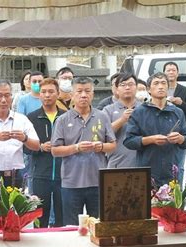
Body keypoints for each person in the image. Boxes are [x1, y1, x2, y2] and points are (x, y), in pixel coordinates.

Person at [51, 77, 116, 226]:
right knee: (72, 226)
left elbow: (112, 145)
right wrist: (76, 148)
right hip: (71, 182)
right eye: (79, 91)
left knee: (100, 225)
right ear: (72, 95)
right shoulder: (62, 119)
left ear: (93, 94)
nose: (83, 95)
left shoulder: (102, 116)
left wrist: (101, 146)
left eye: (87, 91)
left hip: (98, 180)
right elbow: (55, 150)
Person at [124, 72, 186, 186]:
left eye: (163, 83)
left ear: (168, 88)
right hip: (148, 172)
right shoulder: (139, 112)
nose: (160, 86)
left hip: (172, 172)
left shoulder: (177, 112)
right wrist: (150, 140)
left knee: (172, 203)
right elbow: (129, 141)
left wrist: (180, 139)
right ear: (149, 89)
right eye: (156, 83)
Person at [26, 78, 65, 227]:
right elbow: (25, 147)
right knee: (40, 216)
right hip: (40, 173)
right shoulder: (31, 117)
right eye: (43, 92)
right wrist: (40, 147)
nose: (47, 95)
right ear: (39, 94)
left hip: (63, 174)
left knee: (62, 217)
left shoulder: (66, 116)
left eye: (51, 91)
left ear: (58, 93)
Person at [164, 61, 186, 182]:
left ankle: (179, 196)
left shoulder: (185, 90)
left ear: (178, 73)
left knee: (178, 166)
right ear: (164, 73)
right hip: (161, 131)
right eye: (168, 70)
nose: (171, 72)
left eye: (173, 70)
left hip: (179, 131)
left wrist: (181, 103)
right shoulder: (160, 90)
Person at [103, 73, 140, 168]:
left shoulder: (144, 108)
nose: (127, 87)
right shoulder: (108, 110)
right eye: (123, 85)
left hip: (141, 162)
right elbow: (102, 134)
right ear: (116, 89)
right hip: (116, 163)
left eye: (131, 84)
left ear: (136, 87)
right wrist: (122, 120)